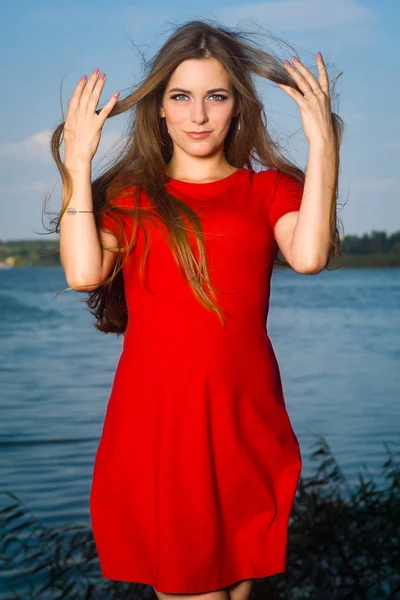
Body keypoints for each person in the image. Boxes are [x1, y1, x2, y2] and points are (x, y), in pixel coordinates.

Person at [51, 19, 342, 600]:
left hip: (246, 419)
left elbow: (309, 255)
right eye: (181, 97)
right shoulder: (131, 198)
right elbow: (84, 273)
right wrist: (76, 165)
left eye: (216, 96)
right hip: (164, 424)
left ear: (238, 106)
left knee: (237, 589)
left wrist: (324, 144)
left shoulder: (269, 190)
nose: (199, 115)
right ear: (159, 107)